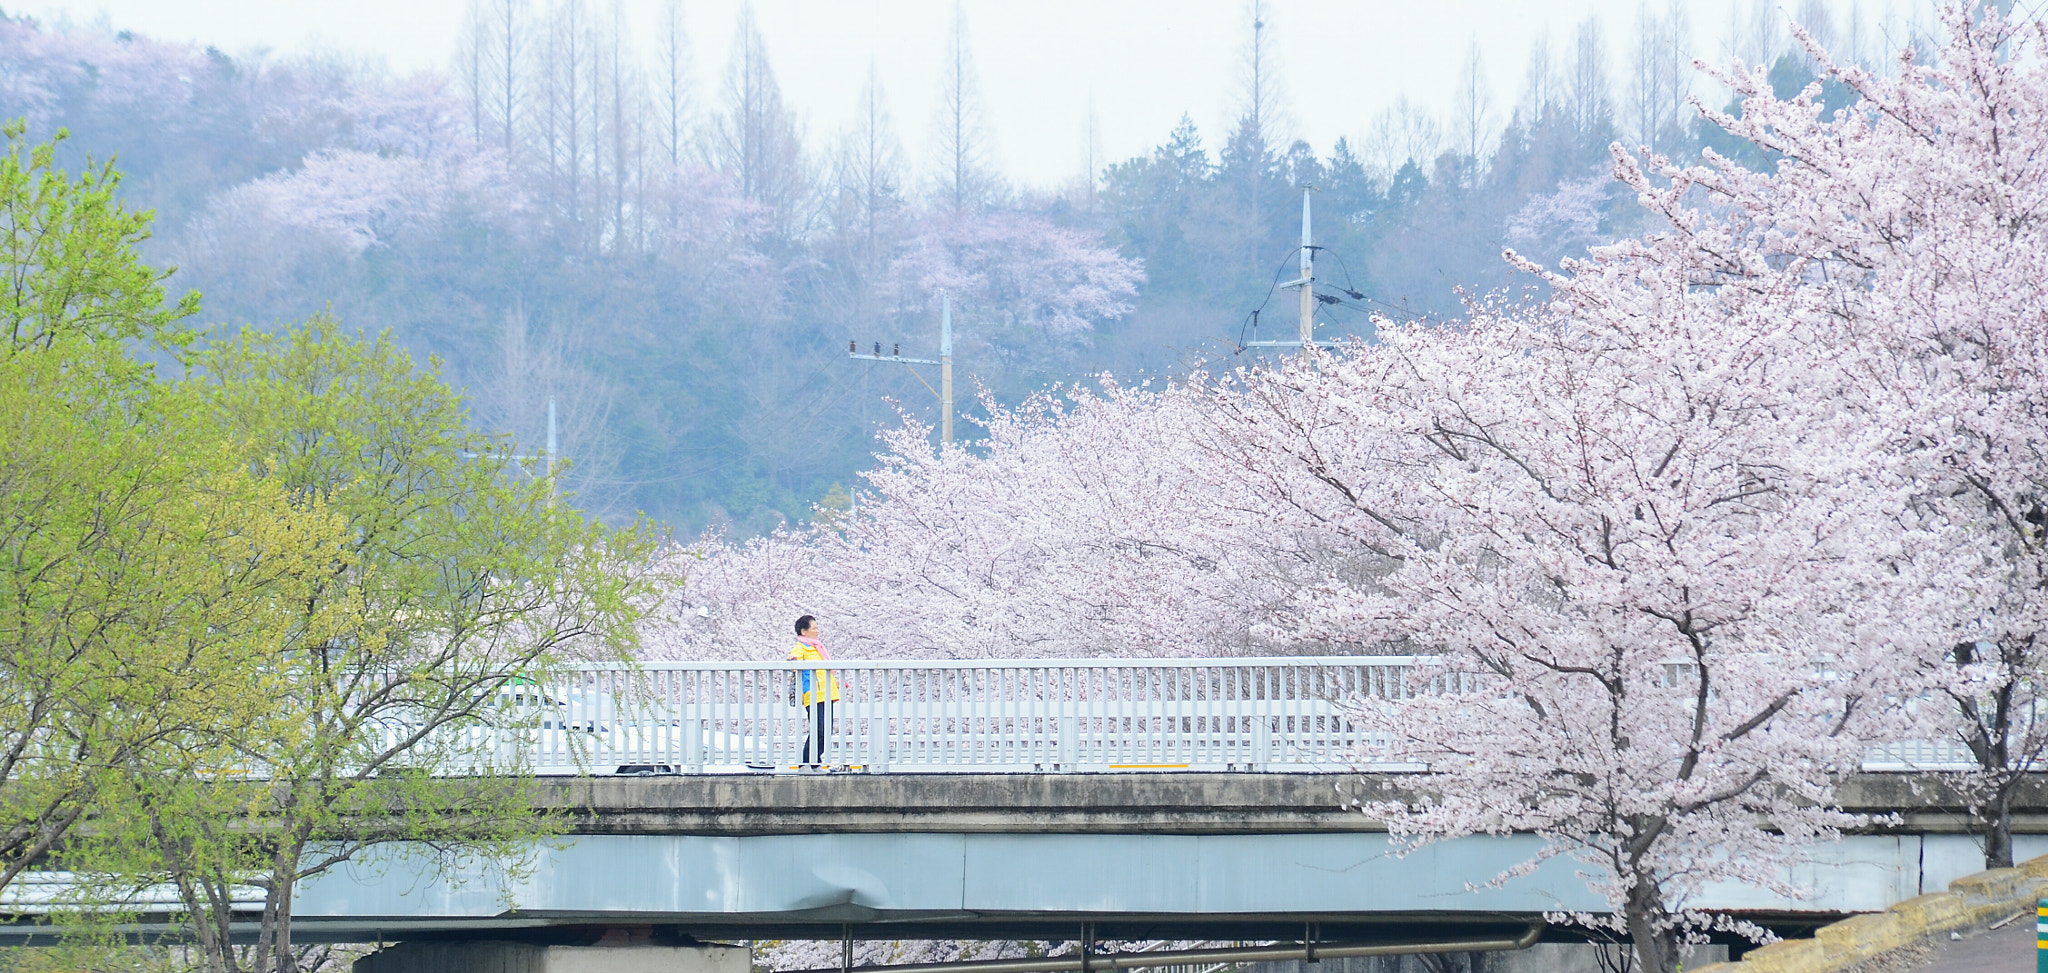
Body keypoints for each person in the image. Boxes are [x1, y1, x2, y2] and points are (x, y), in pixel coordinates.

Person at [788, 614, 840, 769]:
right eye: (814, 628)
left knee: (827, 729)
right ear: (804, 631)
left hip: (827, 693)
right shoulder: (801, 647)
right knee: (819, 727)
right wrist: (793, 661)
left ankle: (813, 760)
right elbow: (793, 661)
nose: (817, 631)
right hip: (813, 693)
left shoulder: (818, 647)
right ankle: (808, 761)